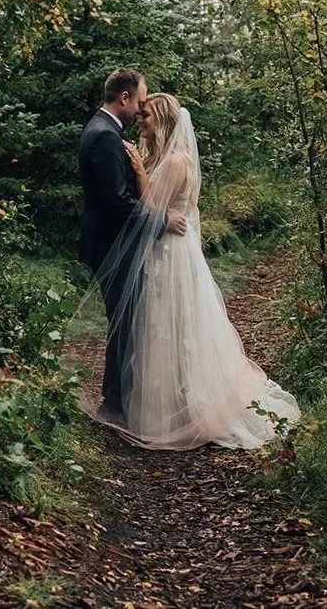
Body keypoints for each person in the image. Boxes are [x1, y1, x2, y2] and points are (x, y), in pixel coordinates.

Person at [76, 89, 301, 450]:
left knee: (171, 323)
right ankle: (162, 403)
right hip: (162, 248)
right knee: (159, 324)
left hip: (170, 252)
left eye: (147, 115)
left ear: (162, 120)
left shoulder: (177, 161)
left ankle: (185, 408)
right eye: (141, 112)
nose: (141, 120)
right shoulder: (164, 156)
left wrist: (137, 171)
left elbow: (151, 204)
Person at [77, 68, 187, 423]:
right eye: (139, 102)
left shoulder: (103, 130)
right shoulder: (106, 136)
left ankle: (121, 403)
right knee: (125, 326)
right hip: (112, 246)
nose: (140, 110)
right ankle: (114, 406)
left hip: (112, 244)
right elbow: (119, 203)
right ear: (124, 98)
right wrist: (162, 221)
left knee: (127, 324)